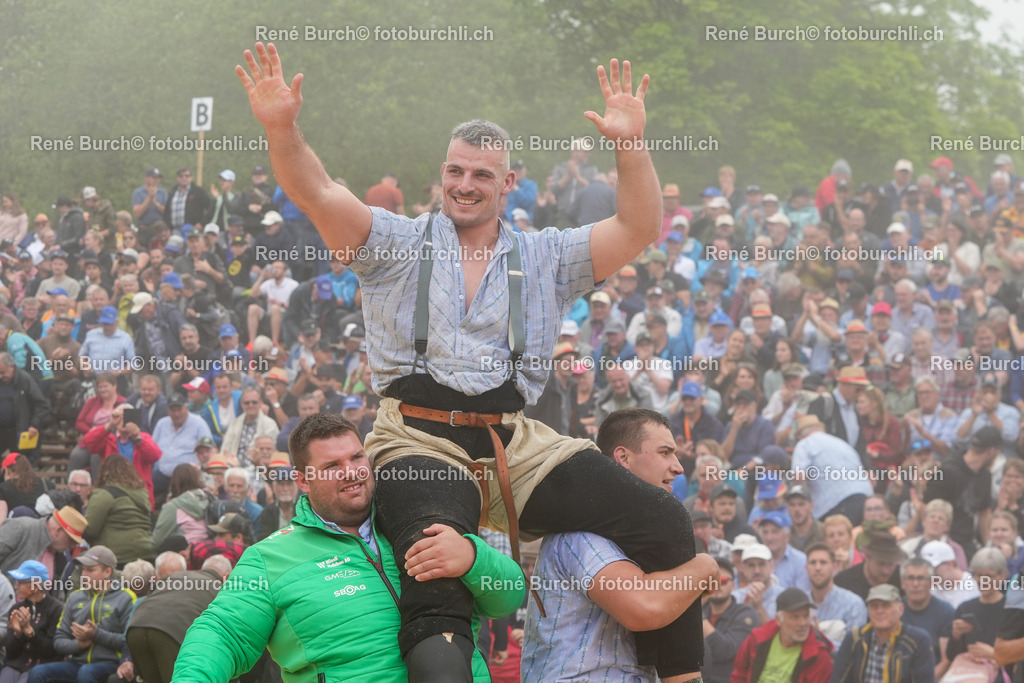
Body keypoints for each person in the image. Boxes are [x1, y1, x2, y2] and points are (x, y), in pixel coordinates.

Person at [237, 43, 703, 682]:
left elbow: (638, 227)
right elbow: (315, 191)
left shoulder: (546, 255)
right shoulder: (395, 241)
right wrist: (281, 127)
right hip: (416, 437)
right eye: (456, 171)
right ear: (442, 174)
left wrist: (630, 144)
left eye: (482, 175)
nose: (465, 184)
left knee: (664, 518)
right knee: (436, 570)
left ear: (507, 184)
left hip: (516, 442)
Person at [173, 413, 525, 681]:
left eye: (357, 457)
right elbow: (223, 634)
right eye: (332, 466)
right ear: (303, 480)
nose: (352, 471)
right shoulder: (269, 558)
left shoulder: (413, 520)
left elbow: (509, 597)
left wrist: (473, 558)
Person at [522, 408, 718, 682]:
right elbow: (644, 608)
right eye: (664, 453)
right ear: (623, 458)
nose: (678, 467)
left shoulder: (637, 535)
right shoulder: (580, 535)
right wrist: (704, 567)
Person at [26, 546, 134, 683]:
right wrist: (78, 645)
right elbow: (59, 641)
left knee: (87, 671)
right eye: (83, 569)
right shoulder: (75, 597)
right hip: (77, 663)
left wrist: (96, 635)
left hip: (111, 664)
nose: (84, 575)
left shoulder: (126, 597)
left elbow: (129, 640)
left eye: (90, 570)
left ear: (107, 572)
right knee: (37, 672)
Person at [124, 555, 227, 683]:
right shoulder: (221, 590)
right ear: (227, 576)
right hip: (168, 632)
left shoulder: (181, 578)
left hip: (136, 626)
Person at [832, 583, 936, 683]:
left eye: (886, 606)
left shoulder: (918, 641)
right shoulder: (855, 638)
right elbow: (839, 679)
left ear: (900, 609)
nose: (879, 611)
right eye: (874, 606)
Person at [730, 587, 833, 682]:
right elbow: (739, 674)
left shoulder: (819, 655)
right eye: (795, 617)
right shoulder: (758, 638)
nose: (803, 623)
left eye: (806, 616)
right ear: (779, 620)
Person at [0, 560, 64, 683]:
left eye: (20, 583)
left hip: (42, 666)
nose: (15, 587)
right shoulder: (16, 609)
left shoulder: (56, 609)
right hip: (16, 665)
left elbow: (51, 651)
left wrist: (30, 633)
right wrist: (17, 633)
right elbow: (11, 654)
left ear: (35, 587)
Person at [701, 557, 757, 683]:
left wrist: (697, 615)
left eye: (723, 581)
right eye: (711, 581)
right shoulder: (702, 611)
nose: (716, 586)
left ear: (733, 585)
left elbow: (725, 650)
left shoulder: (745, 613)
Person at [0, 353, 49, 462]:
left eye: (2, 372)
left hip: (19, 432)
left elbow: (41, 405)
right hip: (2, 431)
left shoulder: (24, 379)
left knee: (20, 464)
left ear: (11, 367)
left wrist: (34, 425)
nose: (0, 376)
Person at [0, 453, 47, 522]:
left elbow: (1, 520)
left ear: (7, 471)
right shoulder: (46, 484)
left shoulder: (2, 488)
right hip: (40, 527)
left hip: (14, 527)